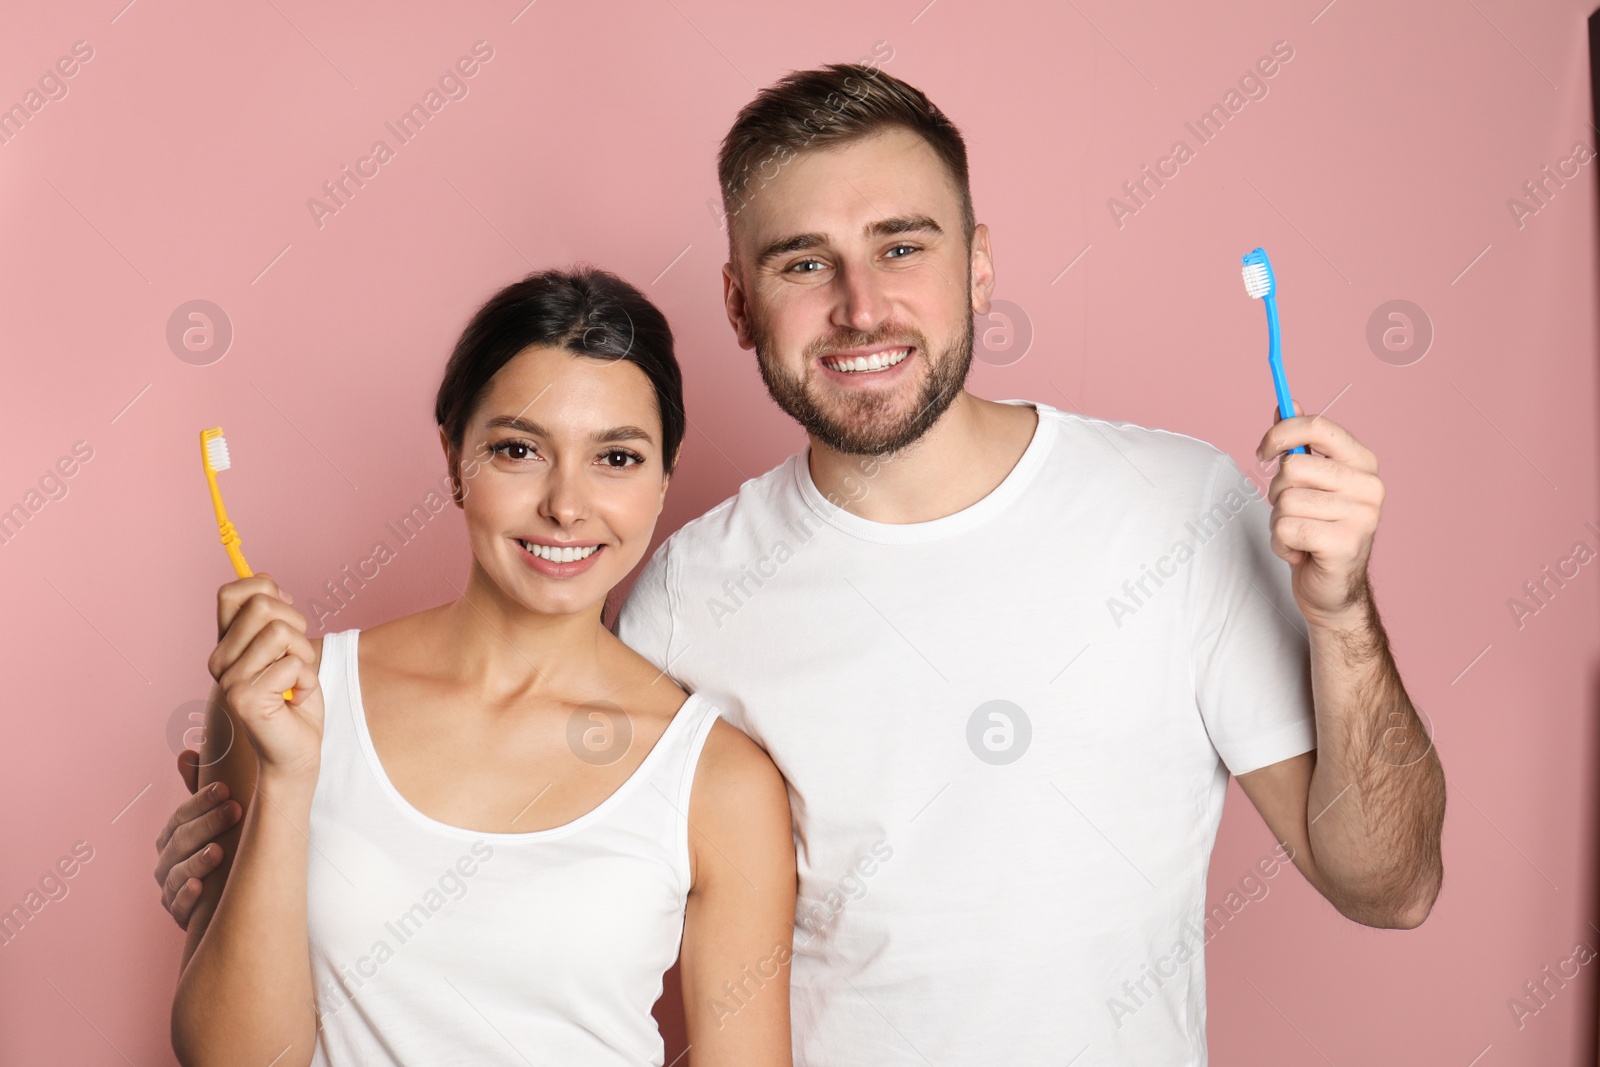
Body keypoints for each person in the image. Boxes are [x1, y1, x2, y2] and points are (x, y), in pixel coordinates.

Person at [159, 65, 1445, 1065]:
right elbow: (515, 894)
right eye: (801, 264)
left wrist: (1340, 616)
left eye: (902, 244)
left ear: (978, 259)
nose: (861, 306)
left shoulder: (1176, 509)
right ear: (737, 304)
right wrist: (264, 867)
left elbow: (1388, 887)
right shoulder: (677, 596)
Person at [168, 268, 796, 1066]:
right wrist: (286, 787)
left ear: (666, 476)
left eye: (617, 457)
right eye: (519, 449)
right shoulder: (285, 700)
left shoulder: (720, 779)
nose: (567, 505)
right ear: (453, 458)